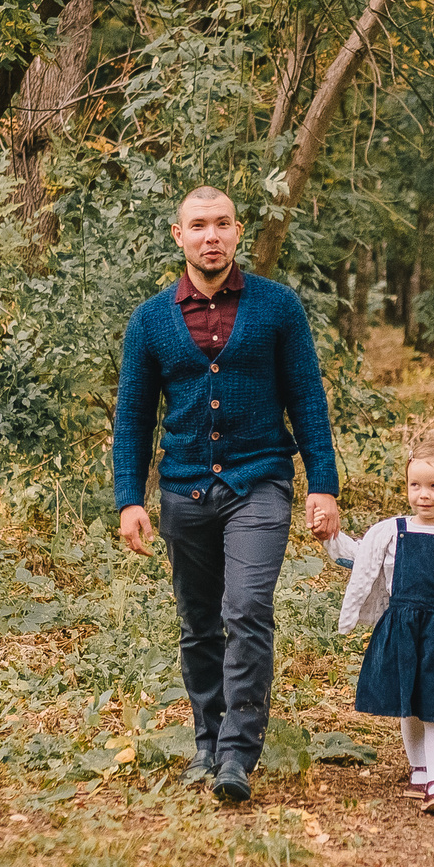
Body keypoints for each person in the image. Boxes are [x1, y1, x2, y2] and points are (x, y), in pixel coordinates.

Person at [113, 186, 342, 804]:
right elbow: (133, 415)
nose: (210, 236)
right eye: (198, 226)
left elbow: (308, 400)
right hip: (183, 490)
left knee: (245, 609)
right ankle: (207, 741)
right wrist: (129, 497)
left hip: (259, 480)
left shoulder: (277, 307)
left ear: (239, 232)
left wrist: (324, 484)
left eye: (221, 225)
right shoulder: (150, 320)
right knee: (198, 622)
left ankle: (238, 753)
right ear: (178, 235)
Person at [334, 440, 434, 816]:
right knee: (410, 705)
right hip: (401, 630)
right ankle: (418, 771)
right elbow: (358, 558)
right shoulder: (391, 531)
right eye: (415, 485)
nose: (424, 495)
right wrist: (330, 537)